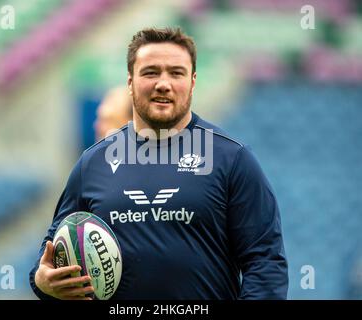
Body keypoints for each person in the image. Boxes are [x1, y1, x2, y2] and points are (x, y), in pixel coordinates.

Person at [29, 27, 288, 300]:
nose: (163, 83)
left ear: (193, 81)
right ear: (130, 82)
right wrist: (43, 282)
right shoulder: (92, 164)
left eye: (176, 73)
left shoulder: (231, 159)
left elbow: (265, 262)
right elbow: (51, 254)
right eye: (150, 72)